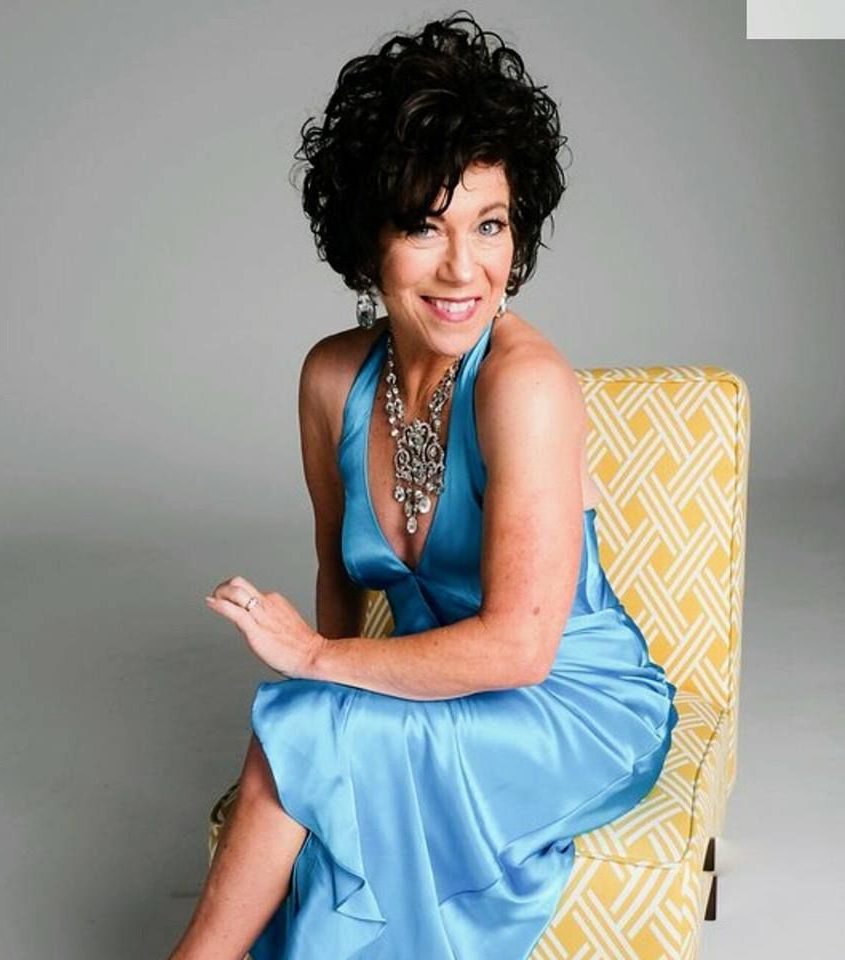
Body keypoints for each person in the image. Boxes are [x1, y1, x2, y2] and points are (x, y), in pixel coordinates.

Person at [167, 11, 678, 960]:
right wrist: (321, 673)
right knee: (311, 735)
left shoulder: (524, 384)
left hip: (572, 708)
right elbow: (338, 577)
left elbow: (521, 650)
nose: (462, 268)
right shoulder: (332, 378)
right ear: (368, 247)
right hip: (436, 695)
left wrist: (315, 663)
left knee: (306, 724)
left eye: (489, 226)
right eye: (421, 227)